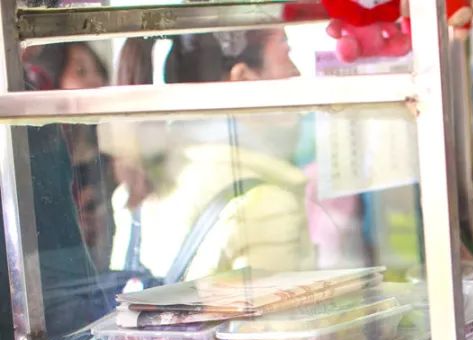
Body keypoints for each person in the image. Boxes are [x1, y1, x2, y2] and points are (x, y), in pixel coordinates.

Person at [106, 31, 317, 282]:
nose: (296, 74)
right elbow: (278, 321)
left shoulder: (137, 191)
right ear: (243, 80)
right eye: (286, 51)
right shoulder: (266, 206)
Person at [23, 43, 116, 272]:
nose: (96, 82)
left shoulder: (104, 167)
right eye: (81, 72)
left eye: (98, 72)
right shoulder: (36, 167)